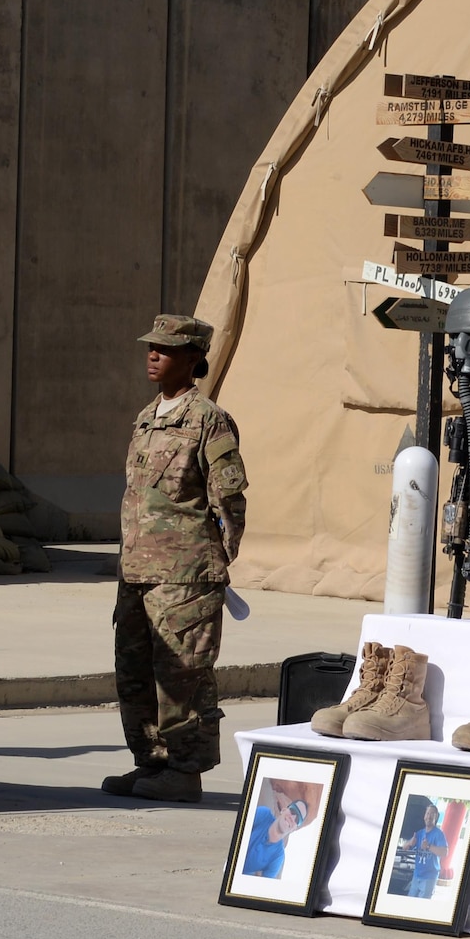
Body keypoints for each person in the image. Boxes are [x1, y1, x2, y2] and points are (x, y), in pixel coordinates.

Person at [101, 316, 247, 804]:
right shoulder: (147, 417)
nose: (153, 355)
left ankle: (184, 770)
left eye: (166, 349)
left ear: (191, 358)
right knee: (134, 669)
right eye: (151, 347)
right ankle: (152, 763)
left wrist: (218, 560)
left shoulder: (209, 419)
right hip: (138, 571)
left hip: (186, 574)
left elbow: (228, 497)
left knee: (182, 673)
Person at [241, 778, 315, 879]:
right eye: (293, 811)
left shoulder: (278, 856)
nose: (292, 818)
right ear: (284, 809)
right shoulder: (263, 814)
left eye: (297, 819)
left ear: (294, 828)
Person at [403, 801, 449, 899]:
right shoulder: (419, 833)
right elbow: (404, 848)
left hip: (429, 878)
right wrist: (410, 843)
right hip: (416, 875)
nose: (429, 816)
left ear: (436, 818)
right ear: (424, 816)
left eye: (432, 814)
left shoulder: (439, 834)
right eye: (428, 813)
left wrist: (429, 846)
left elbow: (445, 853)